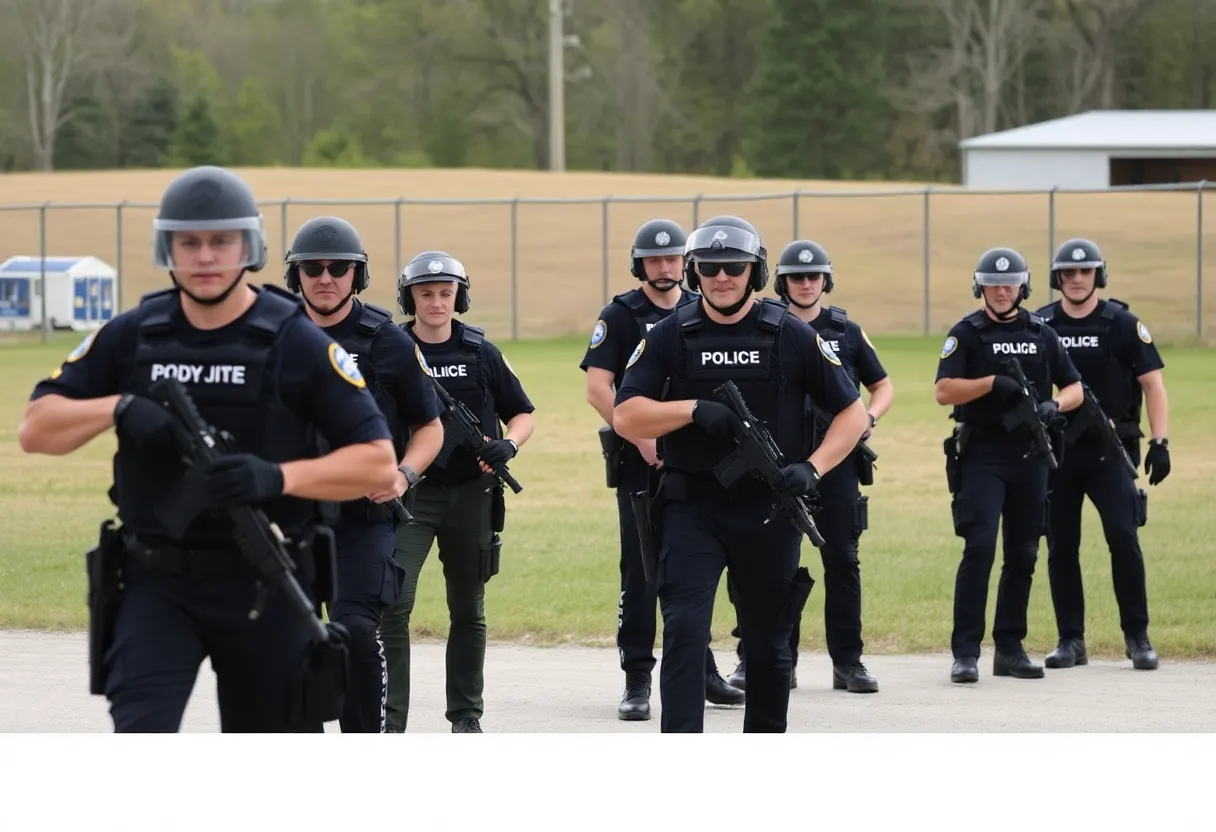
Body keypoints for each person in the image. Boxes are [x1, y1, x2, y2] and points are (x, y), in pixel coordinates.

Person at [16, 165, 400, 732]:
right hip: (157, 581)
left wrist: (277, 478)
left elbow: (377, 462)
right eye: (188, 242)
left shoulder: (295, 340)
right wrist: (118, 407)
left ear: (249, 247)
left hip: (267, 580)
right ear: (165, 249)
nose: (205, 256)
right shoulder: (133, 334)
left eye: (222, 240)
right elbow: (36, 428)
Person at [613, 215, 870, 733]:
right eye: (710, 267)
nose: (722, 277)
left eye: (734, 267)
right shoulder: (671, 334)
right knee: (684, 632)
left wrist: (813, 467)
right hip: (692, 507)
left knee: (769, 643)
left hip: (770, 509)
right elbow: (626, 414)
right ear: (694, 272)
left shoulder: (791, 333)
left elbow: (853, 413)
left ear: (755, 272)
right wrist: (691, 410)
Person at [283, 216, 445, 731]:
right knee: (291, 640)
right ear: (295, 275)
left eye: (339, 268)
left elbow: (429, 427)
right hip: (289, 517)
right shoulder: (273, 334)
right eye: (312, 268)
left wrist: (403, 475)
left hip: (363, 518)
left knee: (354, 632)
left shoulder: (388, 342)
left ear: (358, 274)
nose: (325, 278)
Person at [579, 217, 745, 721]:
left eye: (673, 258)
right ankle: (636, 678)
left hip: (693, 465)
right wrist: (644, 440)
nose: (664, 267)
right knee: (642, 570)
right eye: (654, 260)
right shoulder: (621, 315)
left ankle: (703, 670)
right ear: (640, 265)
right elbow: (599, 389)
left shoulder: (700, 309)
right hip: (640, 464)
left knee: (694, 572)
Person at [726, 239, 894, 695]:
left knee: (842, 560)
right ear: (781, 282)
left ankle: (849, 663)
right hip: (777, 464)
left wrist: (869, 418)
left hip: (834, 464)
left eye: (813, 276)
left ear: (825, 280)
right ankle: (768, 660)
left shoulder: (846, 330)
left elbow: (881, 385)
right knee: (768, 565)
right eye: (796, 277)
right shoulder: (765, 327)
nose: (805, 283)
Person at [381, 250, 536, 734]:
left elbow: (522, 412)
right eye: (425, 294)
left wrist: (509, 444)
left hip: (472, 493)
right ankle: (389, 720)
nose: (436, 303)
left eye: (446, 293)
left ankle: (466, 714)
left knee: (468, 607)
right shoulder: (391, 349)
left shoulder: (481, 352)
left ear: (460, 297)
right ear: (409, 298)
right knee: (393, 605)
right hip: (411, 496)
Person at [935, 246, 1084, 684]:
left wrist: (1055, 405)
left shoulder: (1042, 332)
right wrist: (991, 384)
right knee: (980, 548)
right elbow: (944, 391)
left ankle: (1010, 649)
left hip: (1030, 456)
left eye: (1010, 284)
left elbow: (1075, 386)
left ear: (1024, 287)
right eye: (994, 284)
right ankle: (965, 653)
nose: (1002, 291)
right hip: (983, 455)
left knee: (1024, 553)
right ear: (980, 287)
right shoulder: (966, 333)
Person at [1034, 238, 1169, 671]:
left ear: (1099, 275)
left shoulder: (1122, 323)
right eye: (1068, 273)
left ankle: (1137, 636)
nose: (1076, 279)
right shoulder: (1040, 324)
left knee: (1124, 538)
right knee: (1061, 546)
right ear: (1057, 278)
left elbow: (1153, 384)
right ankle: (1071, 640)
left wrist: (1160, 443)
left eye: (1085, 271)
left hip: (1112, 451)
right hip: (1059, 452)